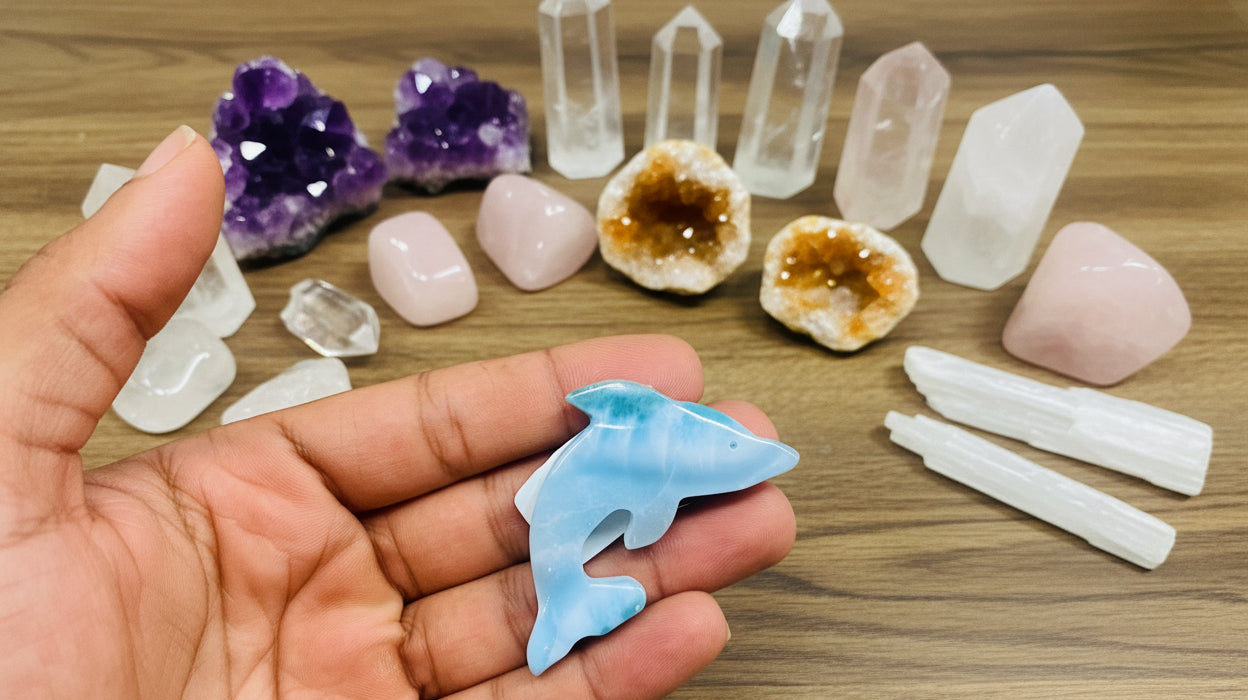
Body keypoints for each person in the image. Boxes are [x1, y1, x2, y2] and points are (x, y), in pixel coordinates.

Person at [0, 127, 796, 698]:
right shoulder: (652, 435)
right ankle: (569, 602)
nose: (737, 456)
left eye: (725, 455)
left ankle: (570, 600)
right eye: (726, 456)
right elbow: (634, 466)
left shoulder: (660, 444)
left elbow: (650, 502)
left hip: (576, 512)